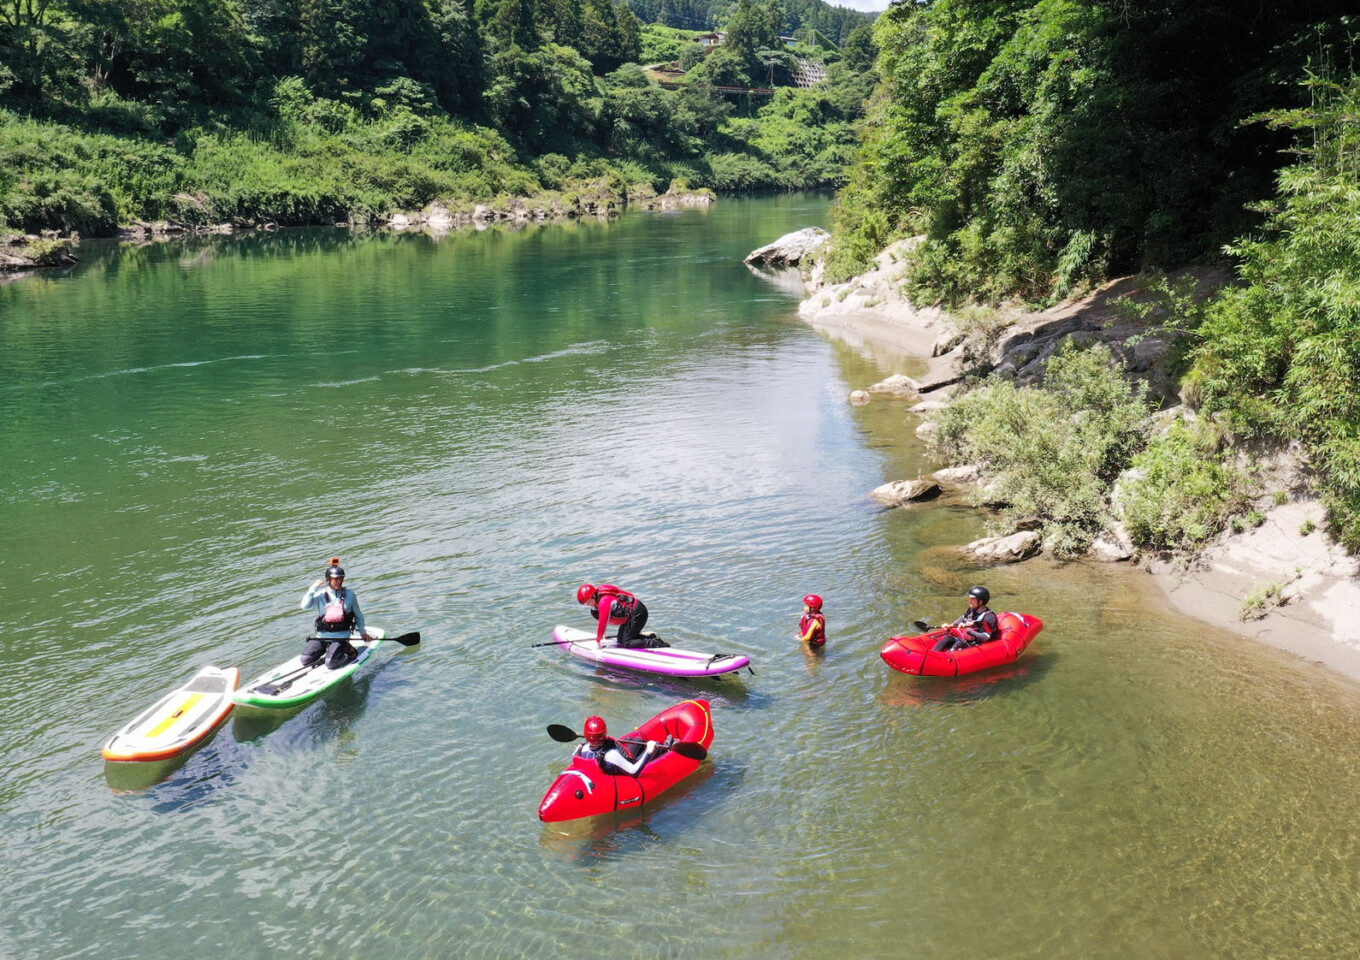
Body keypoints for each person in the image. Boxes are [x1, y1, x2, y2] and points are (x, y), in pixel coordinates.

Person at [299, 558, 371, 669]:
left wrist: (363, 632)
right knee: (305, 660)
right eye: (335, 579)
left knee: (330, 664)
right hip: (322, 636)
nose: (339, 581)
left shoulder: (350, 595)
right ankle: (330, 651)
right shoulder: (320, 595)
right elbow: (304, 606)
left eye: (341, 578)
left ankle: (349, 650)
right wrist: (313, 587)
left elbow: (358, 615)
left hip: (341, 637)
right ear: (328, 580)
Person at [576, 583, 668, 648]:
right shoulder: (599, 595)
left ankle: (655, 642)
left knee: (627, 642)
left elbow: (603, 624)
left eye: (588, 602)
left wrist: (598, 640)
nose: (588, 605)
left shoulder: (604, 602)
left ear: (593, 596)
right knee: (620, 640)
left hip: (638, 613)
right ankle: (650, 636)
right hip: (631, 615)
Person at [573, 715, 659, 777]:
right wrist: (649, 751)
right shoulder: (611, 755)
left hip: (611, 765)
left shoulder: (581, 749)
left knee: (638, 740)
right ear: (605, 732)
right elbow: (634, 771)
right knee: (657, 745)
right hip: (625, 768)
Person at [933, 585, 1000, 652]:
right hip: (967, 641)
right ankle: (932, 655)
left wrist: (968, 631)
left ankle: (943, 660)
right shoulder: (971, 609)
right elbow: (963, 618)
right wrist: (951, 625)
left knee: (958, 644)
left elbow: (986, 637)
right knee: (947, 639)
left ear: (980, 601)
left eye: (972, 599)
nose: (969, 601)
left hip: (976, 645)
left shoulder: (989, 617)